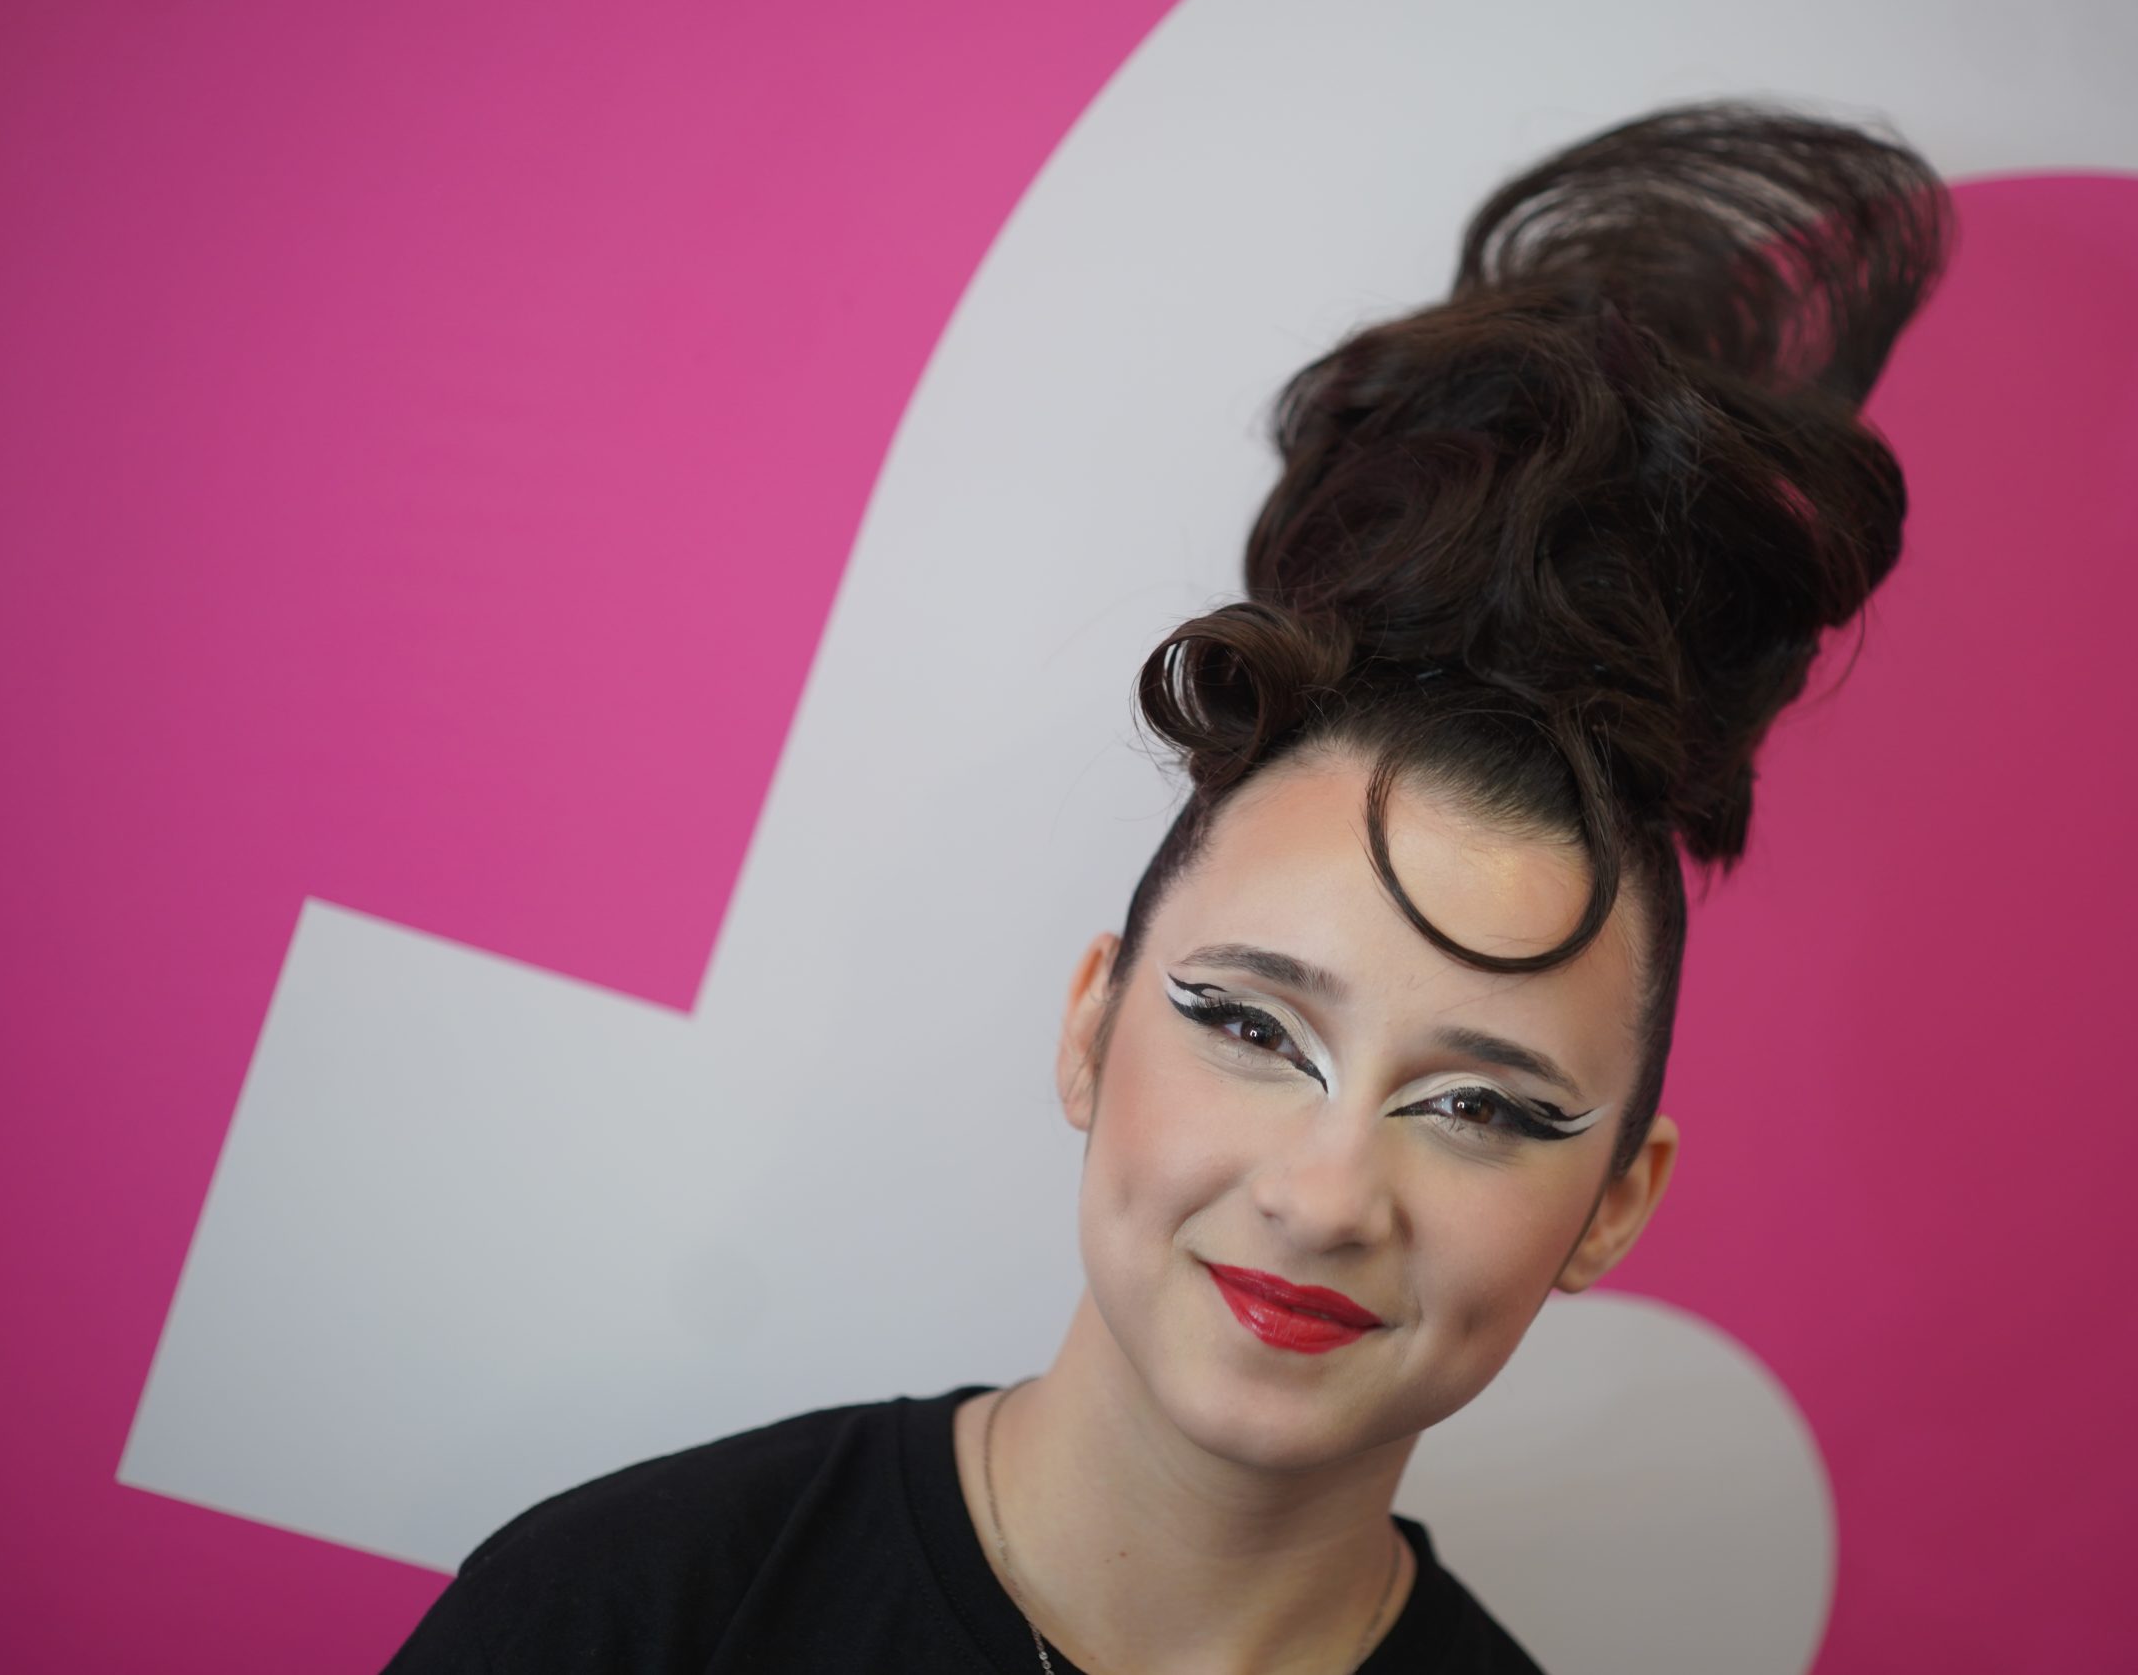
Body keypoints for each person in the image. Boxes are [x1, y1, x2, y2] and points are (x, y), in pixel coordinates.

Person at [382, 97, 1952, 1674]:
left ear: (1614, 1202)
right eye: (1254, 1028)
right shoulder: (632, 1612)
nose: (1323, 1198)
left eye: (1480, 1105)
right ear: (1091, 1024)